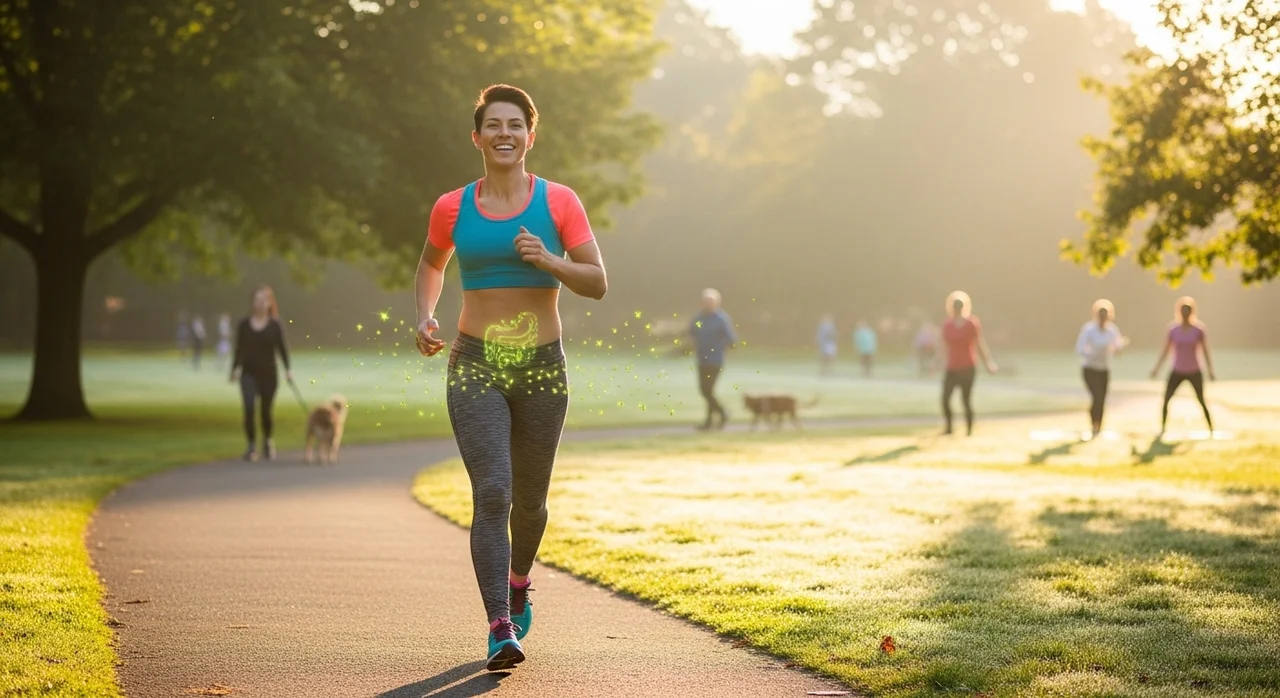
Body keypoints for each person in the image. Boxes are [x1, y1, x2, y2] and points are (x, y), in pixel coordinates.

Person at [413, 84, 608, 672]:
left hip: (542, 368)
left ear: (530, 135)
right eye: (493, 125)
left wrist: (548, 260)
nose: (504, 134)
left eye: (515, 125)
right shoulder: (452, 207)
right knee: (493, 491)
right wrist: (425, 313)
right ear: (477, 137)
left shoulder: (559, 203)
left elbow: (597, 281)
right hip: (475, 363)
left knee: (530, 502)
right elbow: (430, 263)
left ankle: (520, 579)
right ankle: (500, 623)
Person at [229, 285, 293, 462]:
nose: (259, 303)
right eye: (256, 300)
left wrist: (288, 370)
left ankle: (268, 440)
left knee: (266, 410)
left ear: (269, 303)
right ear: (252, 303)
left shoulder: (275, 325)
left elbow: (282, 349)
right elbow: (239, 349)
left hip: (269, 374)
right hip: (248, 373)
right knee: (249, 408)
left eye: (263, 300)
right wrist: (235, 369)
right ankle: (250, 446)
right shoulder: (244, 325)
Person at [1151, 296, 1215, 437]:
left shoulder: (1199, 330)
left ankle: (1211, 429)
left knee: (1201, 399)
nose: (1185, 314)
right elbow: (1165, 350)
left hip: (1194, 370)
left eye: (1188, 310)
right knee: (1167, 399)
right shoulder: (1173, 329)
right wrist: (1156, 369)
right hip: (1177, 370)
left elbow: (1205, 351)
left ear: (1192, 312)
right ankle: (1162, 429)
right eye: (1183, 310)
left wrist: (1211, 370)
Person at [939, 291, 997, 435]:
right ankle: (949, 428)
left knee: (965, 400)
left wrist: (988, 363)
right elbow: (943, 346)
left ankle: (969, 430)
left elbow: (979, 344)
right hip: (951, 367)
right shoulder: (948, 325)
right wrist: (935, 363)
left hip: (967, 367)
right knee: (945, 399)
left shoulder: (972, 323)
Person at [1075, 299, 1128, 437]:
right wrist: (1092, 354)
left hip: (1104, 369)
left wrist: (1121, 346)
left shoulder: (1112, 330)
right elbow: (1080, 348)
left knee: (1102, 398)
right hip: (1090, 368)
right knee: (1096, 397)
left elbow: (1117, 347)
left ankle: (1099, 427)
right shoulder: (1089, 330)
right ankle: (1093, 425)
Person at [689, 288, 738, 431]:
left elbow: (731, 339)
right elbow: (692, 334)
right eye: (705, 301)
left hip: (715, 360)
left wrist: (722, 346)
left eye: (711, 302)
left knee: (707, 390)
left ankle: (718, 416)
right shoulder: (698, 318)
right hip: (702, 359)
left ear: (717, 303)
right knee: (705, 390)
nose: (708, 304)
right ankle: (714, 419)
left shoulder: (721, 319)